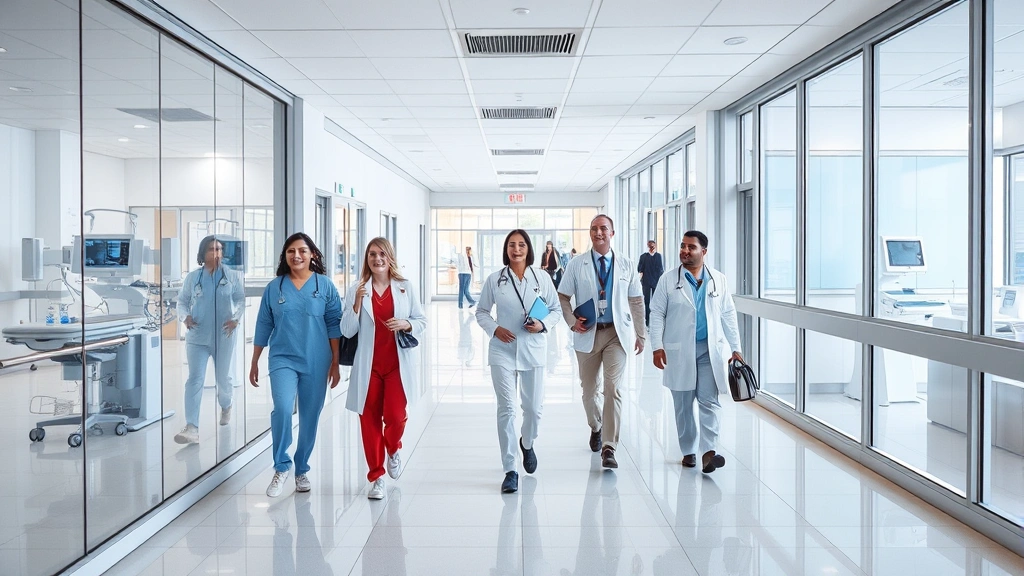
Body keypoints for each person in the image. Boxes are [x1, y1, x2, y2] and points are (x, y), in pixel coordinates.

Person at [250, 233, 341, 498]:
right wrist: (255, 359)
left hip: (317, 359)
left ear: (313, 254)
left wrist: (335, 362)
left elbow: (334, 325)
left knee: (310, 417)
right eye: (291, 251)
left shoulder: (324, 286)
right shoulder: (275, 287)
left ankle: (301, 469)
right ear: (285, 256)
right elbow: (263, 324)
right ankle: (281, 466)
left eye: (302, 250)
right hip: (282, 358)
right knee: (281, 408)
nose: (297, 255)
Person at [649, 231, 742, 474]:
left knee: (709, 401)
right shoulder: (668, 280)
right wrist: (657, 346)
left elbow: (728, 314)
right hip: (679, 351)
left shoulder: (718, 279)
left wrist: (736, 348)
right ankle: (688, 450)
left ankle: (709, 452)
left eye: (691, 247)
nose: (685, 251)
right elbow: (657, 313)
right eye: (682, 246)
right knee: (683, 404)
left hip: (708, 351)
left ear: (704, 251)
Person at [557, 214, 646, 469]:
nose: (599, 233)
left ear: (612, 233)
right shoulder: (577, 264)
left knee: (613, 388)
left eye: (603, 229)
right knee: (588, 391)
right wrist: (571, 319)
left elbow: (637, 302)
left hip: (616, 334)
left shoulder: (627, 265)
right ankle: (596, 426)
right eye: (594, 229)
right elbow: (563, 296)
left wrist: (641, 334)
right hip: (587, 333)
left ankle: (609, 446)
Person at [475, 229, 560, 493]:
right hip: (502, 350)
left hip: (533, 349)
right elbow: (481, 312)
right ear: (506, 250)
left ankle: (527, 442)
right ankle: (510, 469)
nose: (516, 249)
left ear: (528, 248)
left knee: (533, 409)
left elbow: (556, 310)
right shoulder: (495, 280)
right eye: (511, 245)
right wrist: (494, 329)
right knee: (507, 410)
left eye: (521, 244)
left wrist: (542, 324)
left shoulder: (542, 277)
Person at [342, 237, 427, 500]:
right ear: (366, 260)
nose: (377, 259)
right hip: (368, 368)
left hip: (396, 366)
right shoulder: (358, 289)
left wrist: (406, 323)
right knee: (368, 422)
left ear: (390, 257)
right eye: (371, 255)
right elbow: (347, 330)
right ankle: (376, 477)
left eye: (381, 254)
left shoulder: (404, 287)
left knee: (396, 417)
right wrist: (356, 303)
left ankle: (394, 447)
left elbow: (421, 320)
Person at [174, 235, 245, 444]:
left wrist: (236, 319)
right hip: (197, 335)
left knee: (223, 379)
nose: (217, 253)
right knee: (195, 379)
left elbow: (240, 300)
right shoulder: (193, 278)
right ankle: (191, 427)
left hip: (224, 335)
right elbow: (182, 301)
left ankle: (226, 404)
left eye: (220, 249)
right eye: (213, 249)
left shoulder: (231, 276)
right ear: (203, 253)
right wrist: (184, 317)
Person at [637, 239, 665, 326]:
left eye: (653, 246)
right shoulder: (643, 256)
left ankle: (656, 321)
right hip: (646, 282)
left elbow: (661, 269)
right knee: (646, 302)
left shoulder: (658, 256)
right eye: (650, 246)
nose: (651, 247)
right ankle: (647, 321)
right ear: (648, 246)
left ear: (655, 246)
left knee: (656, 302)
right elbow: (639, 269)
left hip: (655, 282)